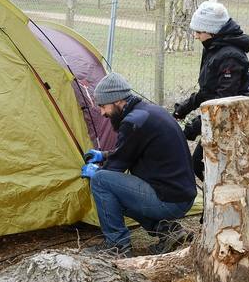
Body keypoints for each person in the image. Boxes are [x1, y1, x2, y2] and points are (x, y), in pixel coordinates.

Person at [80, 72, 197, 257]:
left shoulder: (133, 122)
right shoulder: (148, 112)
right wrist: (102, 155)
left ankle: (116, 246)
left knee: (102, 182)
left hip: (168, 200)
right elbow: (130, 151)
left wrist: (97, 172)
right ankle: (169, 232)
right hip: (180, 194)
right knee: (115, 195)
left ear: (117, 101)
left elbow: (115, 168)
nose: (102, 113)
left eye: (103, 106)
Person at [171, 0, 249, 179]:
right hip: (216, 118)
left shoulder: (230, 57)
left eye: (199, 32)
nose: (196, 36)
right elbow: (208, 91)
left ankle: (222, 204)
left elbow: (224, 103)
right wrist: (183, 109)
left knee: (209, 166)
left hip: (232, 121)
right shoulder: (213, 48)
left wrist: (195, 126)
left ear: (213, 31)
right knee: (199, 165)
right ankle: (213, 203)